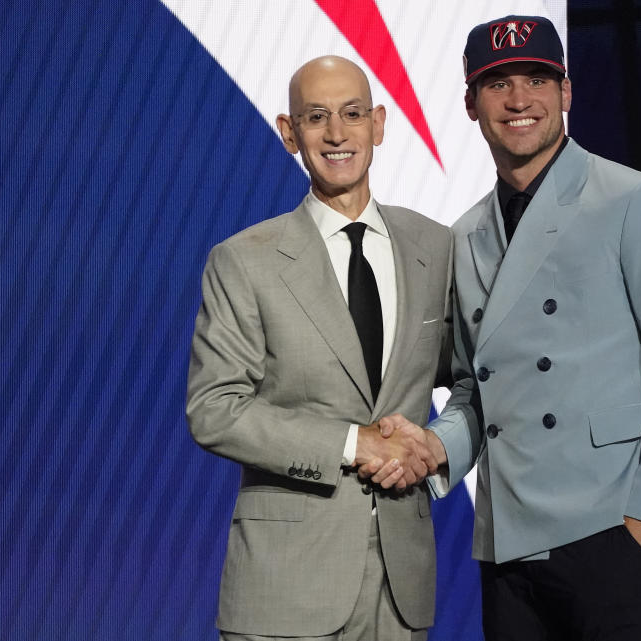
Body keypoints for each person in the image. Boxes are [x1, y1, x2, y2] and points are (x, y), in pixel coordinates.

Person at [377, 15, 641, 640]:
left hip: (613, 532)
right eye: (498, 83)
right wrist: (435, 448)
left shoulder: (636, 201)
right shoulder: (466, 234)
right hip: (509, 543)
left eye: (537, 79)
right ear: (469, 103)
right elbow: (475, 391)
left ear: (566, 92)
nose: (519, 100)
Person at [186, 56, 449, 641]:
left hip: (401, 590)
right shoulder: (243, 260)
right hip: (284, 588)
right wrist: (354, 443)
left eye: (353, 114)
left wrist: (438, 443)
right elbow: (214, 409)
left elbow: (476, 383)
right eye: (317, 117)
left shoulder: (435, 247)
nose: (337, 134)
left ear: (379, 124)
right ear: (289, 132)